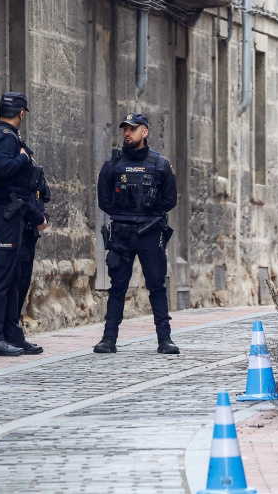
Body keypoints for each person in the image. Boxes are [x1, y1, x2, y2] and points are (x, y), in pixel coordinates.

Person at [95, 112, 179, 354]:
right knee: (117, 287)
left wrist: (149, 215)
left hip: (150, 233)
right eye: (125, 129)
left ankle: (165, 340)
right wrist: (125, 216)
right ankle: (108, 339)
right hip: (121, 233)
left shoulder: (160, 164)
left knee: (156, 285)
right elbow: (104, 200)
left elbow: (170, 199)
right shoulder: (112, 164)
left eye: (132, 129)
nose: (127, 133)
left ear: (145, 132)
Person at [0, 91, 46, 357]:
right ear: (21, 114)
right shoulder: (6, 138)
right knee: (1, 277)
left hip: (7, 212)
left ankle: (13, 335)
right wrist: (24, 158)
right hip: (5, 212)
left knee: (13, 275)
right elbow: (2, 171)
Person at [16, 157, 51, 328]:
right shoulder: (11, 160)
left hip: (31, 233)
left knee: (23, 282)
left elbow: (39, 200)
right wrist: (39, 218)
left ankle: (13, 329)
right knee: (14, 283)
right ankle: (6, 331)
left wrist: (42, 217)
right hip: (17, 231)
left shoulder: (29, 163)